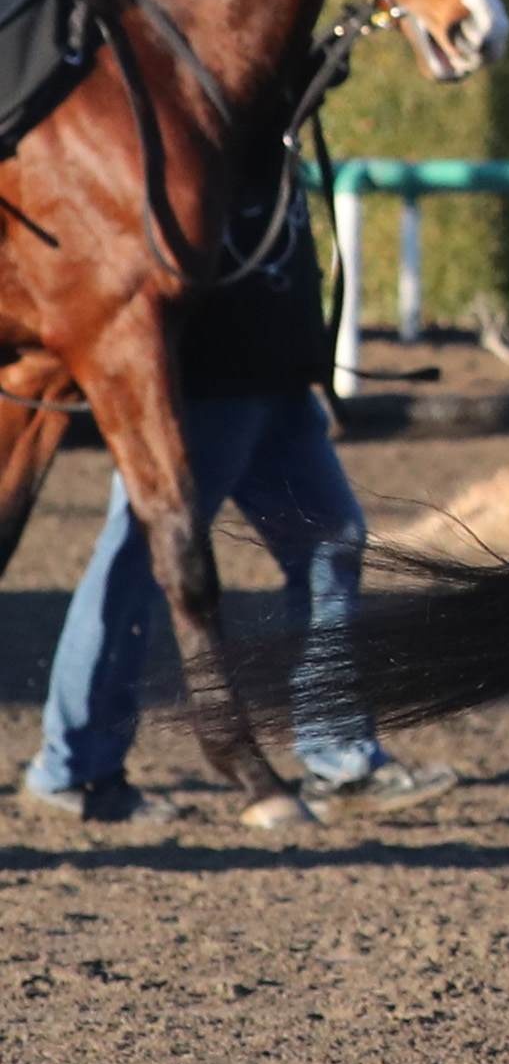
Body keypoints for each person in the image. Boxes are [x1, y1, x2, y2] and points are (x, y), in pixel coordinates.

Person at [19, 165, 451, 826]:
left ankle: (338, 752)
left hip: (276, 378)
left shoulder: (269, 116)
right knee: (138, 558)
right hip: (201, 386)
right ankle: (72, 766)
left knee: (331, 536)